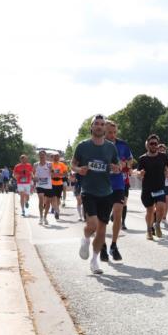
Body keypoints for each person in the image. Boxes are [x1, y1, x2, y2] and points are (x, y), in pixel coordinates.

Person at [72, 115, 122, 274]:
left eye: (102, 124)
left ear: (105, 128)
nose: (99, 126)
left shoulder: (110, 147)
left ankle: (94, 261)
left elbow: (118, 165)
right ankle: (86, 239)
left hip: (106, 193)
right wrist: (79, 169)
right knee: (92, 225)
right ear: (92, 127)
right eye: (96, 124)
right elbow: (73, 165)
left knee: (101, 231)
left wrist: (116, 168)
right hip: (89, 191)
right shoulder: (82, 146)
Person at [102, 120, 133, 262]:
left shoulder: (122, 144)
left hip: (118, 183)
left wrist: (124, 164)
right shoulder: (99, 144)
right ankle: (102, 245)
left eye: (114, 132)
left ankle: (114, 245)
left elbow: (130, 160)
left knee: (118, 211)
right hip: (102, 184)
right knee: (102, 218)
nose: (112, 135)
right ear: (104, 131)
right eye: (109, 132)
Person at [136, 134, 168, 240]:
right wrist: (140, 174)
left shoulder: (163, 156)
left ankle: (157, 224)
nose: (153, 145)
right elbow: (138, 173)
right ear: (148, 144)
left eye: (155, 143)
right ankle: (149, 230)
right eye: (151, 143)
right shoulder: (143, 158)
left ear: (157, 144)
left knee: (161, 207)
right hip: (147, 189)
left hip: (159, 188)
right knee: (150, 210)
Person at [49, 152, 68, 221]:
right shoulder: (50, 164)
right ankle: (56, 211)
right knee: (53, 198)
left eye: (57, 156)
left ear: (59, 157)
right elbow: (50, 174)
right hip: (51, 183)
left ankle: (56, 208)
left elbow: (65, 174)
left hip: (59, 183)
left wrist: (58, 174)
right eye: (55, 156)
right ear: (52, 157)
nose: (56, 157)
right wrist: (54, 174)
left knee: (58, 199)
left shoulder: (62, 164)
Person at [158, 143, 168, 229]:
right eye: (160, 150)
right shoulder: (155, 158)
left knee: (167, 200)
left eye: (163, 150)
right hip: (157, 184)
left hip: (166, 184)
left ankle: (164, 217)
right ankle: (156, 219)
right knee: (158, 203)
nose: (162, 151)